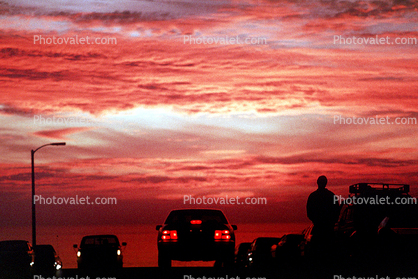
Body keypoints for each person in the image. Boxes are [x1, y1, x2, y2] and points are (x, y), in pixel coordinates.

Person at [306, 175, 340, 263]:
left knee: (317, 252)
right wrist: (332, 221)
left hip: (319, 228)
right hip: (328, 229)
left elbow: (309, 212)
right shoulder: (331, 196)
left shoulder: (313, 196)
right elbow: (336, 211)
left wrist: (316, 220)